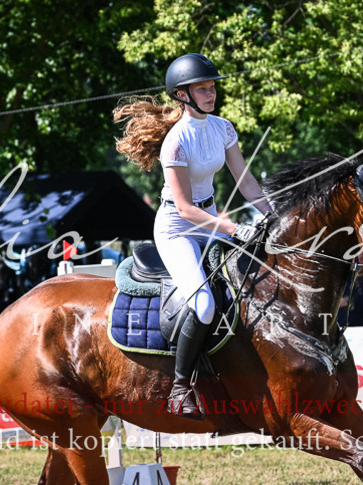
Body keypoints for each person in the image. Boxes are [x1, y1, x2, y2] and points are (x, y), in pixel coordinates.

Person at [114, 53, 272, 419]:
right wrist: (235, 228)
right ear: (182, 95)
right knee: (203, 305)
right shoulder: (176, 142)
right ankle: (180, 387)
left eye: (212, 86)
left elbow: (246, 183)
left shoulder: (223, 129)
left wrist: (272, 216)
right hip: (178, 228)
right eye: (203, 88)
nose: (211, 93)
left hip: (211, 220)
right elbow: (185, 208)